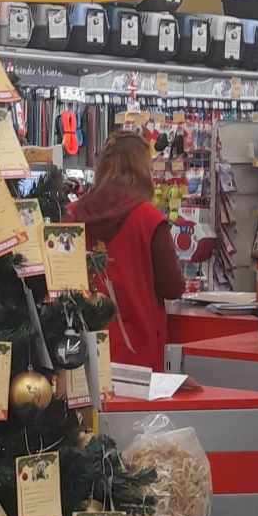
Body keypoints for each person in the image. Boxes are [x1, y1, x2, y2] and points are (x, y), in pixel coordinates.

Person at [70, 130, 184, 372]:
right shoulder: (149, 219)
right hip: (137, 356)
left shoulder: (70, 216)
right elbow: (173, 287)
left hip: (78, 352)